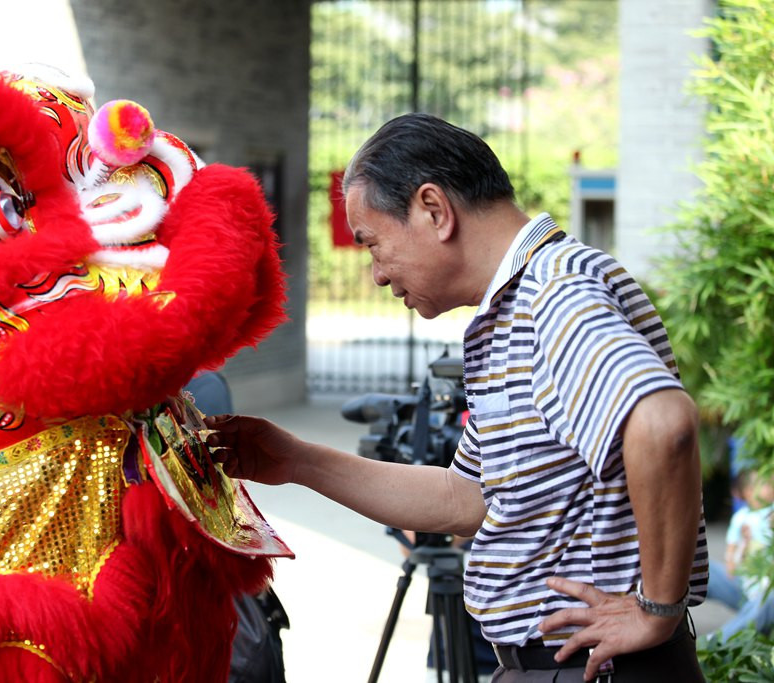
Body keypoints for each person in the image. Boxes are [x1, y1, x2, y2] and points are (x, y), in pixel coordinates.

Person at [207, 113, 708, 682]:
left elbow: (664, 423)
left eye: (372, 244)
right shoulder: (516, 307)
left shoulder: (556, 295)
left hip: (598, 667)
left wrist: (656, 610)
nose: (375, 274)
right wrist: (294, 459)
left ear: (434, 210)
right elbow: (466, 498)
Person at [707, 470, 773, 640]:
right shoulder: (742, 518)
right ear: (747, 493)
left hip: (766, 586)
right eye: (764, 484)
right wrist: (733, 557)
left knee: (767, 598)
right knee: (698, 567)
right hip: (748, 580)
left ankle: (716, 645)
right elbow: (733, 548)